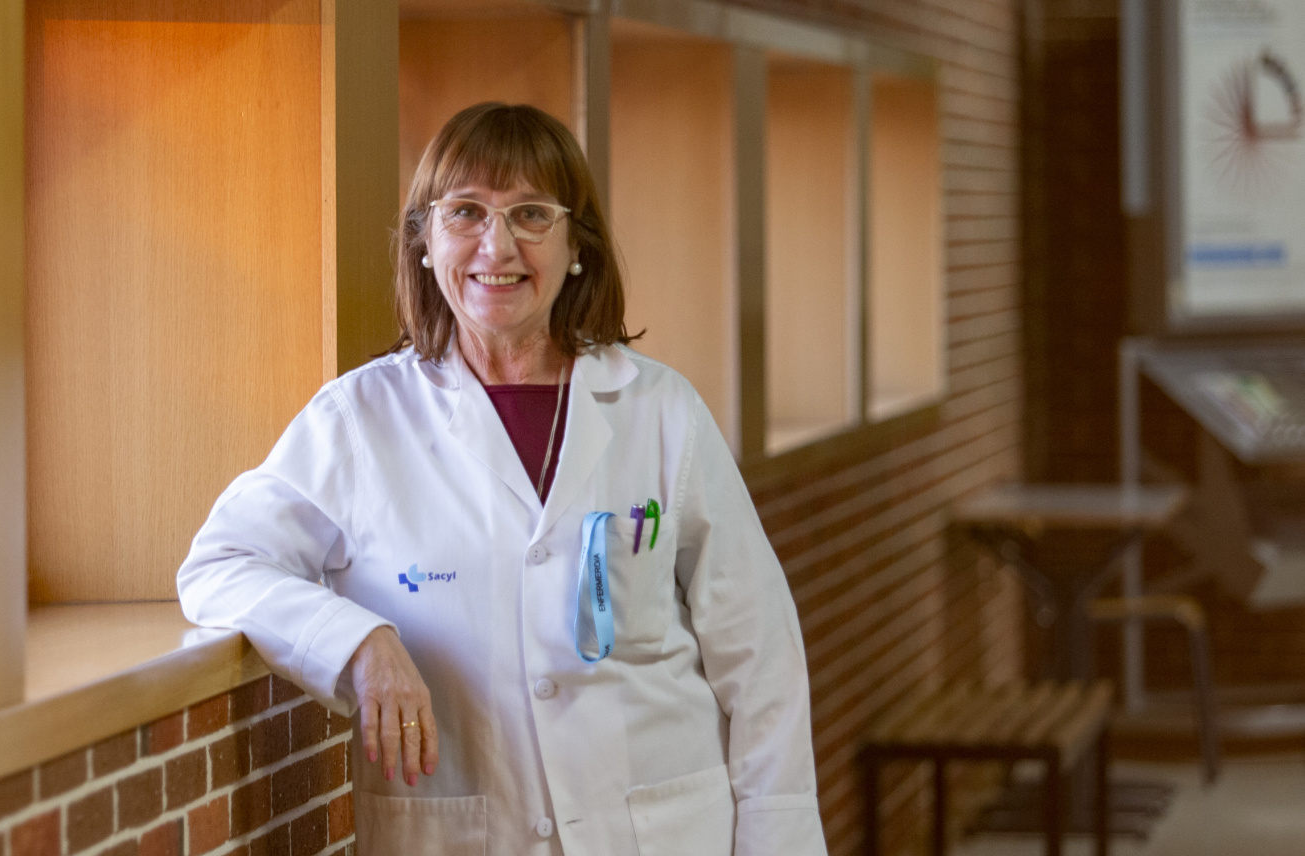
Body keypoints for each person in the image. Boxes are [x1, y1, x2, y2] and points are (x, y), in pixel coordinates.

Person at [178, 103, 826, 856]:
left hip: (661, 833)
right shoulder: (359, 421)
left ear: (575, 245)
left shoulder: (660, 411)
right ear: (425, 242)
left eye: (530, 214)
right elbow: (221, 565)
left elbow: (760, 659)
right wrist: (361, 644)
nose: (498, 244)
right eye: (466, 213)